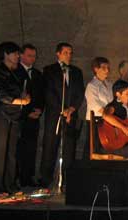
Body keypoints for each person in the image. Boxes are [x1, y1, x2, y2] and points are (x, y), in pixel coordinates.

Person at [0, 42, 30, 196]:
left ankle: (10, 185)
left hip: (13, 117)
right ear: (5, 55)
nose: (18, 56)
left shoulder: (17, 72)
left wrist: (24, 96)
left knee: (11, 153)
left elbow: (20, 90)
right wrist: (19, 101)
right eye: (15, 53)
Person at [40, 42, 85, 189]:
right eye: (65, 52)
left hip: (71, 114)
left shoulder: (76, 72)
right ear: (58, 53)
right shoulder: (49, 70)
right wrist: (62, 109)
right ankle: (45, 179)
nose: (69, 55)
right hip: (55, 114)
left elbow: (79, 93)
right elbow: (48, 93)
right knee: (50, 146)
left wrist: (71, 109)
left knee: (69, 148)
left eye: (70, 53)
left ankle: (66, 179)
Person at [16, 44, 44, 187]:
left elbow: (41, 95)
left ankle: (28, 176)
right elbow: (17, 94)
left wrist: (39, 110)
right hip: (20, 117)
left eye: (34, 56)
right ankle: (17, 177)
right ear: (21, 55)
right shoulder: (15, 71)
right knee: (19, 147)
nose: (32, 58)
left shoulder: (38, 74)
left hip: (35, 117)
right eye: (29, 55)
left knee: (31, 148)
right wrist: (28, 112)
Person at [84, 57, 113, 160]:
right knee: (94, 147)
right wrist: (108, 111)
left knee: (105, 148)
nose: (107, 70)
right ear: (96, 69)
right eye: (104, 67)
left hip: (108, 120)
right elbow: (96, 105)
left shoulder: (110, 85)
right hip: (96, 121)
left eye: (108, 67)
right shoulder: (92, 86)